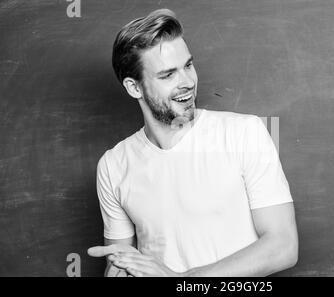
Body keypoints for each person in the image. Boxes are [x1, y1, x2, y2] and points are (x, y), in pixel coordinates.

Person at [87, 8, 298, 277]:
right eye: (167, 75)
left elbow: (283, 246)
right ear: (134, 87)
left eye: (188, 65)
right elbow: (118, 263)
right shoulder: (113, 166)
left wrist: (183, 282)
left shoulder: (244, 133)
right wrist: (118, 271)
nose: (187, 81)